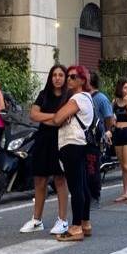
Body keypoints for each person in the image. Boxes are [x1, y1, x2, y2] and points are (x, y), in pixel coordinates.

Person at [19, 65, 70, 235]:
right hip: (42, 139)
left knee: (60, 180)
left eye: (61, 75)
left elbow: (64, 120)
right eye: (54, 75)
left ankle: (62, 220)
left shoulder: (69, 96)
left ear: (65, 78)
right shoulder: (43, 94)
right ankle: (36, 219)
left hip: (61, 140)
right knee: (39, 180)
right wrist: (55, 117)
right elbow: (34, 115)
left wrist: (50, 118)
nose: (57, 78)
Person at [53, 65, 94, 241]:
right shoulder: (86, 98)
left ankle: (76, 227)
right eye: (68, 76)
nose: (68, 79)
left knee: (76, 187)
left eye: (72, 77)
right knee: (83, 185)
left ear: (82, 80)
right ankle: (85, 223)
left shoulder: (78, 98)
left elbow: (56, 118)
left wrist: (60, 116)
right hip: (80, 144)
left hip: (72, 145)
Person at [88, 71, 115, 203]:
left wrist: (108, 131)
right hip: (83, 138)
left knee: (93, 168)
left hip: (96, 138)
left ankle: (95, 195)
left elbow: (108, 117)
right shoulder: (83, 97)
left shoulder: (101, 98)